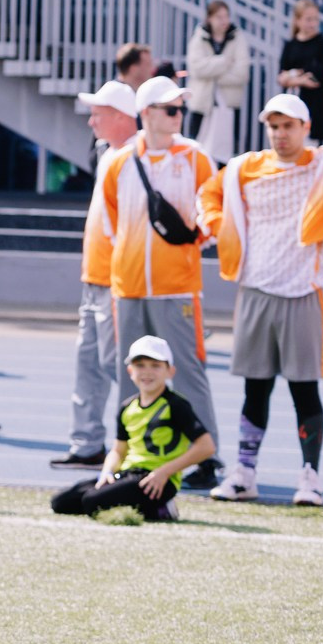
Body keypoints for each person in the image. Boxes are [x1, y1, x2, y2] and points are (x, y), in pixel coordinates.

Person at [204, 94, 323, 508]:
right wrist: (219, 226)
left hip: (304, 290)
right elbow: (207, 196)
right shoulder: (244, 167)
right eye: (274, 126)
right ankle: (245, 473)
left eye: (288, 126)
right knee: (256, 389)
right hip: (255, 289)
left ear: (305, 128)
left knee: (304, 390)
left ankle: (310, 478)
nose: (280, 134)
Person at [95, 74, 224, 488]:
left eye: (180, 109)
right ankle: (128, 454)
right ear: (147, 114)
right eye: (170, 109)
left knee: (186, 371)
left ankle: (206, 458)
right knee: (128, 371)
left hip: (178, 286)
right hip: (128, 287)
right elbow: (111, 223)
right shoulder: (117, 162)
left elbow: (211, 209)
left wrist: (192, 243)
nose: (177, 115)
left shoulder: (196, 157)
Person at [55, 79, 142, 467]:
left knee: (114, 363)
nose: (92, 122)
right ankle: (87, 442)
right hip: (95, 276)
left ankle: (133, 442)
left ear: (122, 117)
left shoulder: (136, 157)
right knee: (88, 363)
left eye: (98, 114)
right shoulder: (111, 154)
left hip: (116, 279)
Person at [50, 335, 216, 523]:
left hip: (157, 481)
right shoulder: (127, 407)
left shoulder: (176, 405)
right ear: (130, 370)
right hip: (128, 474)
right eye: (140, 365)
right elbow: (118, 450)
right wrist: (107, 473)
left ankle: (162, 508)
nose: (147, 372)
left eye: (155, 365)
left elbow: (206, 447)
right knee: (61, 502)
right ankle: (144, 507)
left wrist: (163, 473)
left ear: (170, 371)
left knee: (92, 501)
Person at [182, 0, 248, 163]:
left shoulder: (237, 37)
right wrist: (224, 61)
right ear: (209, 18)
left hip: (228, 105)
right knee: (197, 150)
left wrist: (211, 72)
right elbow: (196, 69)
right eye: (219, 17)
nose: (224, 21)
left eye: (226, 16)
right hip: (202, 105)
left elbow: (242, 74)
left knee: (225, 155)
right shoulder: (199, 38)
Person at [277, 0, 323, 143]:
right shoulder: (290, 45)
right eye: (308, 19)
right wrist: (299, 78)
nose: (313, 23)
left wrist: (292, 77)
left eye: (315, 19)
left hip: (316, 110)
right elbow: (281, 77)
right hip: (291, 109)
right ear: (297, 20)